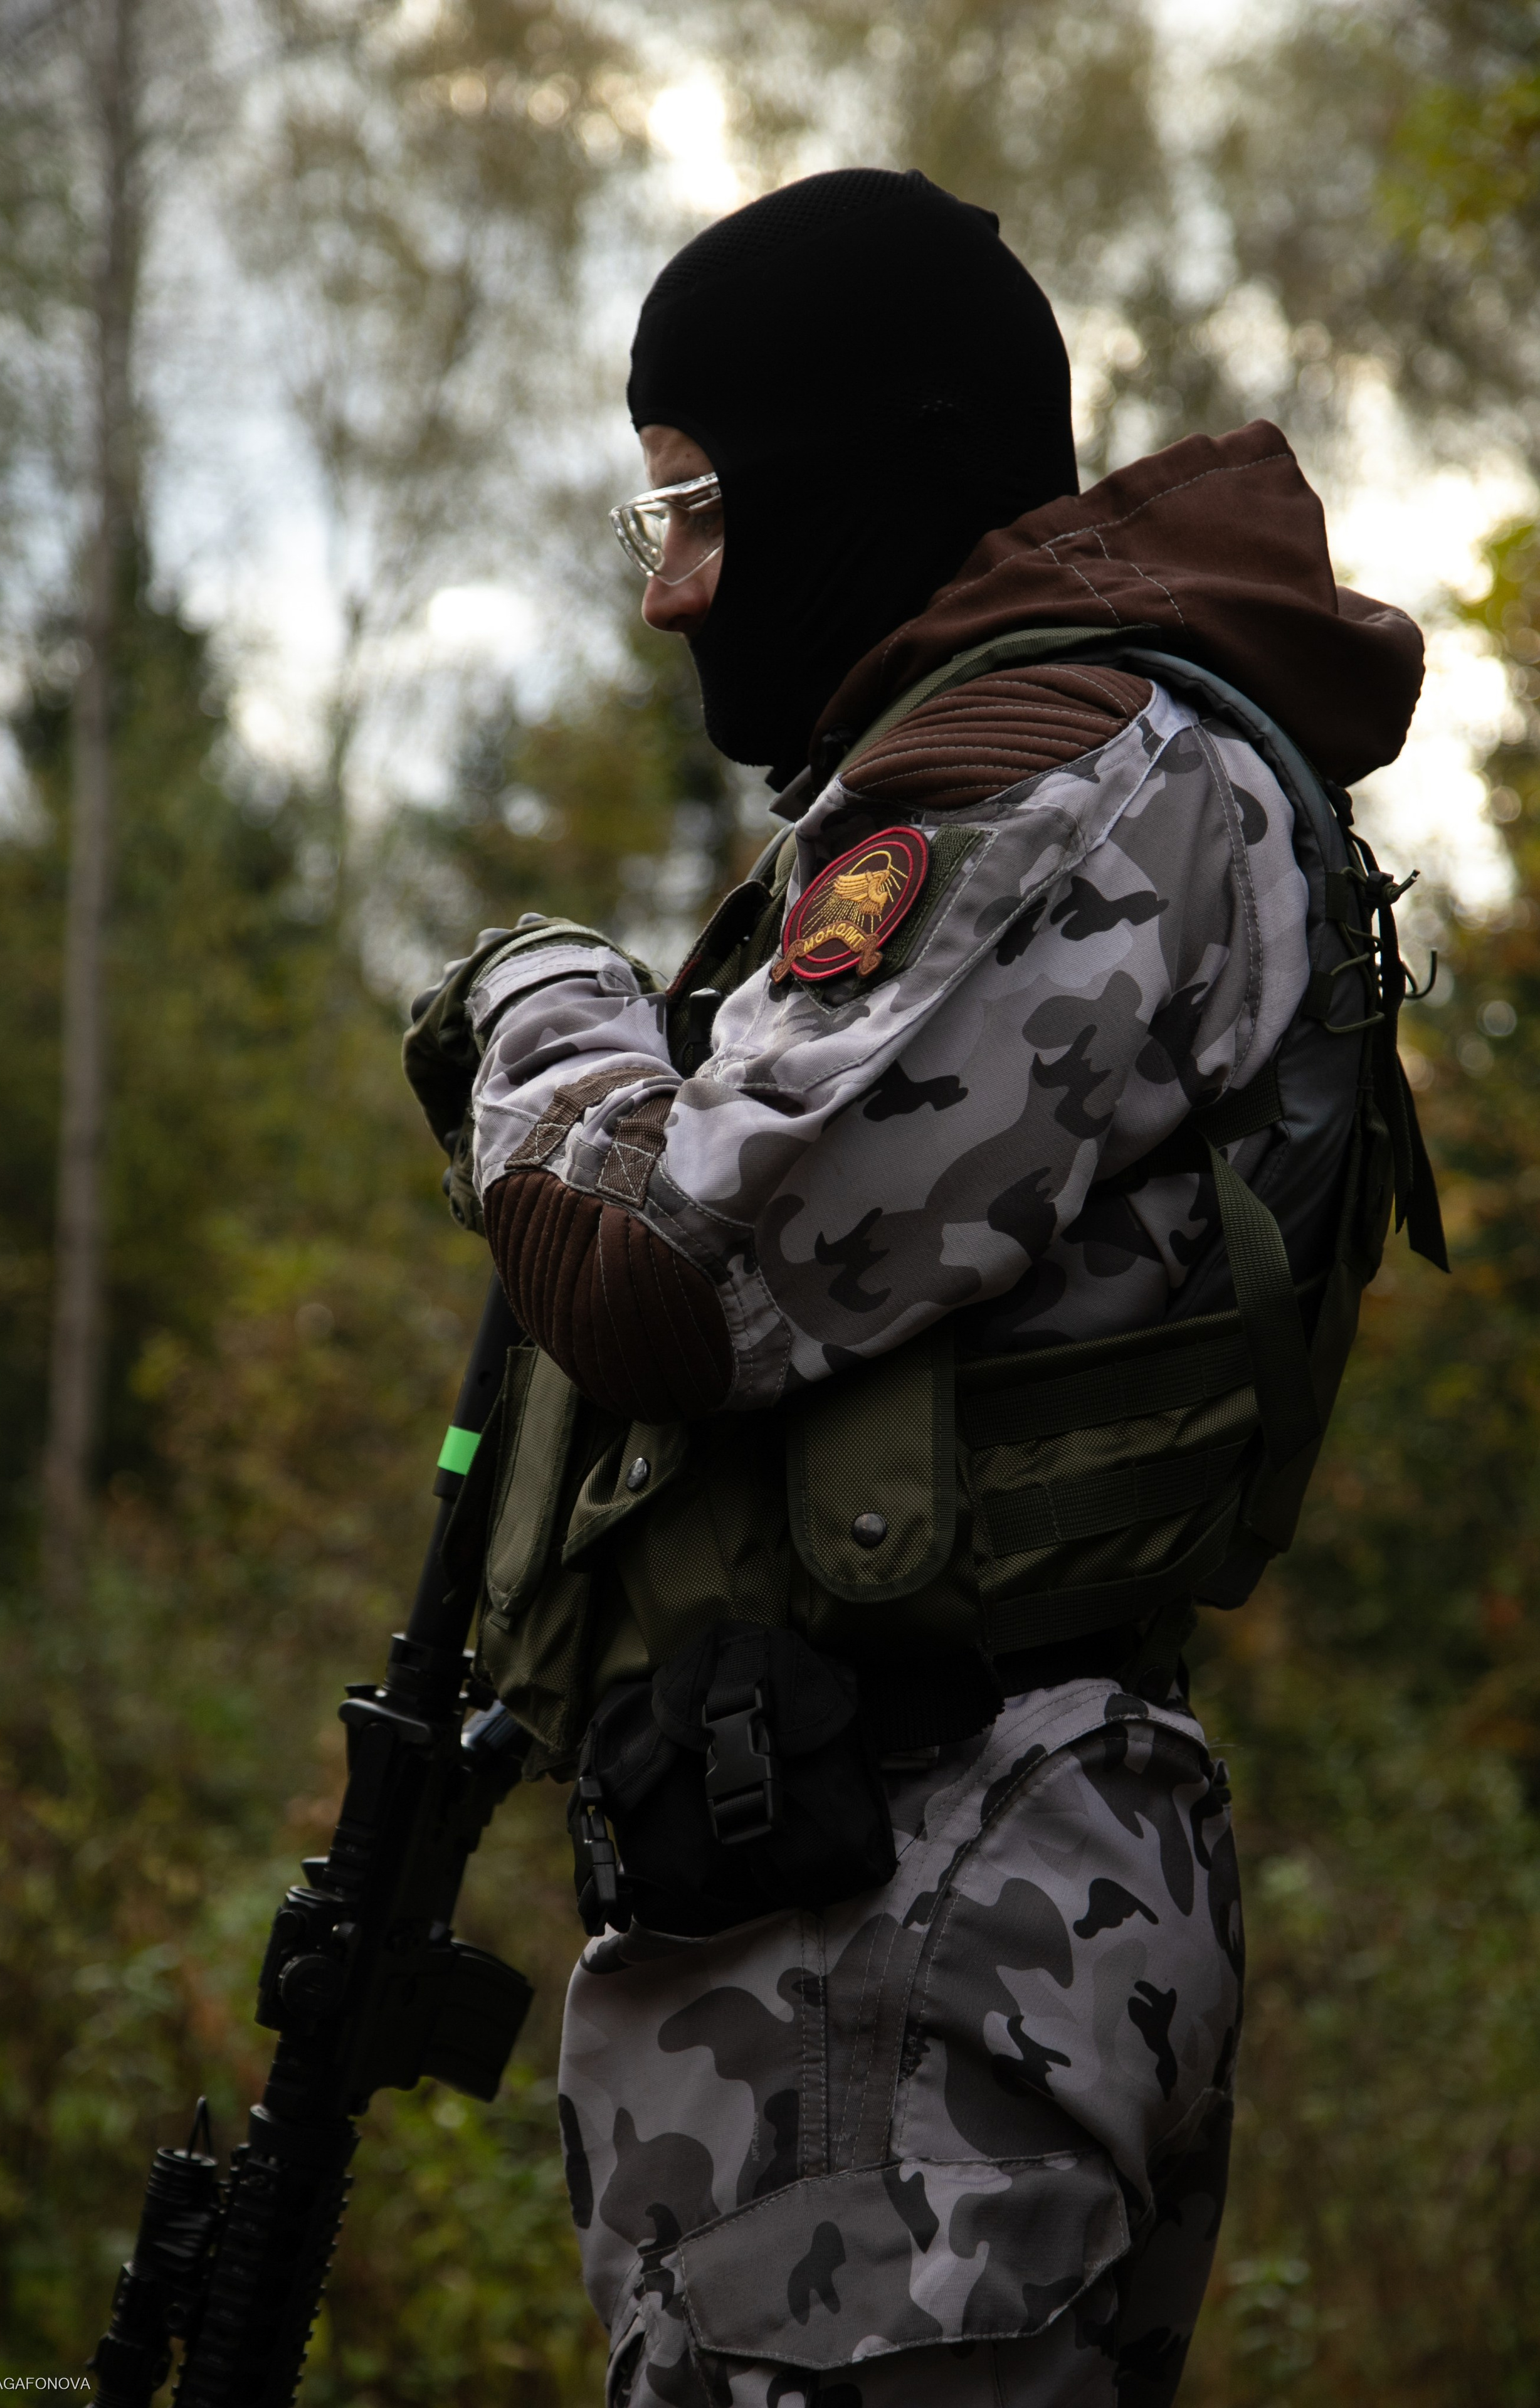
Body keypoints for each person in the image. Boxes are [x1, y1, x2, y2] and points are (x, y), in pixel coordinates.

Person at [404, 169, 1439, 2407]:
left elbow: (673, 1260)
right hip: (930, 1884)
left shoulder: (1055, 778)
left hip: (913, 1938)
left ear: (883, 477)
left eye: (699, 507)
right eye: (644, 516)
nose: (673, 596)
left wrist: (542, 1010)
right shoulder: (1057, 766)